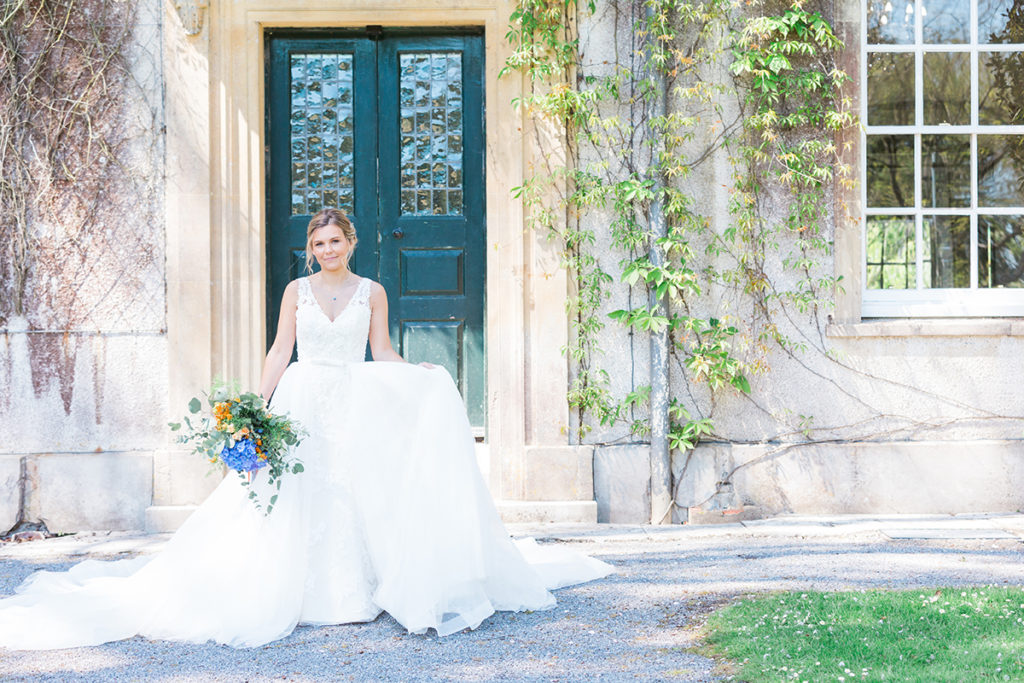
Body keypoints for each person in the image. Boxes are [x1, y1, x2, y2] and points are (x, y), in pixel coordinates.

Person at [0, 208, 613, 650]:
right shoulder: (296, 290)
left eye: (335, 240)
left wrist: (419, 372)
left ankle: (359, 590)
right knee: (299, 490)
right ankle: (300, 590)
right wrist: (252, 408)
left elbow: (383, 353)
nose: (327, 249)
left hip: (354, 398)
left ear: (350, 242)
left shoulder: (373, 291)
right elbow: (277, 352)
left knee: (353, 486)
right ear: (311, 248)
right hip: (302, 398)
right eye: (318, 242)